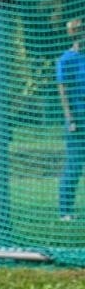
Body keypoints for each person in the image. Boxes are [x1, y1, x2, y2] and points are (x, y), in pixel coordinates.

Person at [58, 18, 85, 220]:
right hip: (78, 120)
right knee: (74, 166)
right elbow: (63, 90)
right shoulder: (66, 59)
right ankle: (65, 211)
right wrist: (71, 119)